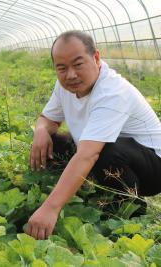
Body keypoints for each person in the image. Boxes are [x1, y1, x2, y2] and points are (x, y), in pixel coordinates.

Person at [25, 30, 161, 240]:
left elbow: (88, 155)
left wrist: (51, 207)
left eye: (78, 64)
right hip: (107, 154)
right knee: (51, 142)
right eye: (62, 68)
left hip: (152, 168)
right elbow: (48, 118)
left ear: (96, 58)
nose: (70, 74)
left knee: (105, 152)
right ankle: (86, 188)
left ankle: (130, 208)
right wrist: (41, 130)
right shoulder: (65, 87)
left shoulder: (112, 92)